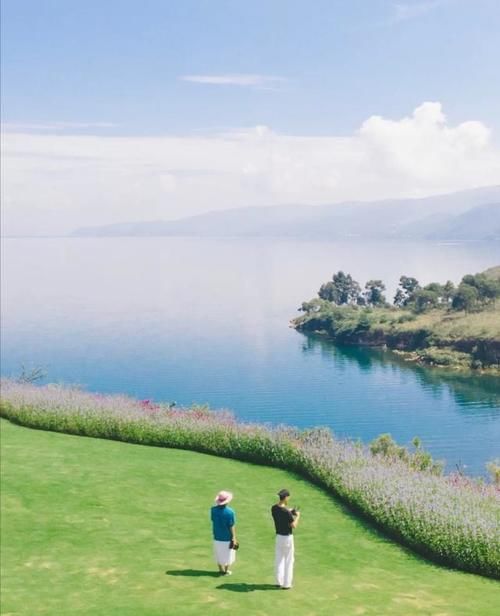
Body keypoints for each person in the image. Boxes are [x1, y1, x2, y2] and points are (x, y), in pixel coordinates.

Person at [271, 488, 300, 589]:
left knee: (279, 559)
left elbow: (282, 511)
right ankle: (287, 584)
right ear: (286, 497)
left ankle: (279, 581)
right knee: (288, 560)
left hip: (279, 537)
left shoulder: (273, 508)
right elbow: (293, 525)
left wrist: (290, 511)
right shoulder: (287, 513)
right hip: (287, 538)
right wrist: (298, 516)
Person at [210, 490, 237, 575]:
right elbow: (231, 525)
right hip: (227, 537)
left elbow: (213, 520)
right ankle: (226, 570)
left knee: (218, 552)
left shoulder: (213, 510)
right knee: (228, 554)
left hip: (217, 535)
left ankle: (220, 569)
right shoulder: (230, 512)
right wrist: (234, 537)